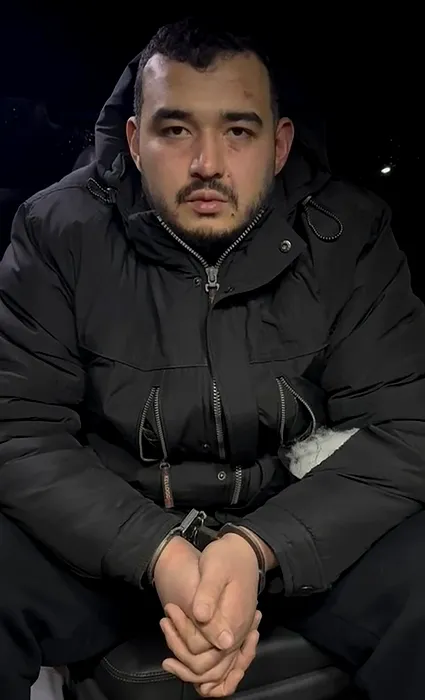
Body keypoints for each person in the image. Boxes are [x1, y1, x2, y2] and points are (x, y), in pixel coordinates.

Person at [1, 18, 425, 700]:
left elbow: (405, 428)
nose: (207, 163)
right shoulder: (58, 232)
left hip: (299, 534)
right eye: (175, 130)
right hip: (109, 545)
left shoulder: (350, 234)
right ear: (135, 141)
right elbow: (18, 430)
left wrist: (259, 548)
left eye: (238, 131)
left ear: (278, 145)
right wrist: (157, 551)